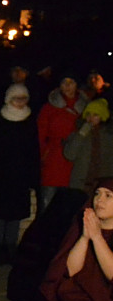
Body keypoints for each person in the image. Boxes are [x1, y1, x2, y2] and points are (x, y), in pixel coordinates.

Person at [0, 84, 39, 265]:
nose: (20, 102)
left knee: (15, 216)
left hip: (20, 178)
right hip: (0, 178)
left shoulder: (30, 123)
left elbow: (33, 153)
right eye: (16, 98)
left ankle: (10, 248)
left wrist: (33, 179)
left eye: (23, 98)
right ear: (8, 99)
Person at [37, 75, 85, 213]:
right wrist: (43, 156)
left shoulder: (86, 108)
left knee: (71, 208)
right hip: (53, 161)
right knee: (48, 205)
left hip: (76, 162)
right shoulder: (49, 108)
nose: (68, 86)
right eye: (64, 82)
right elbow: (40, 135)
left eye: (71, 82)